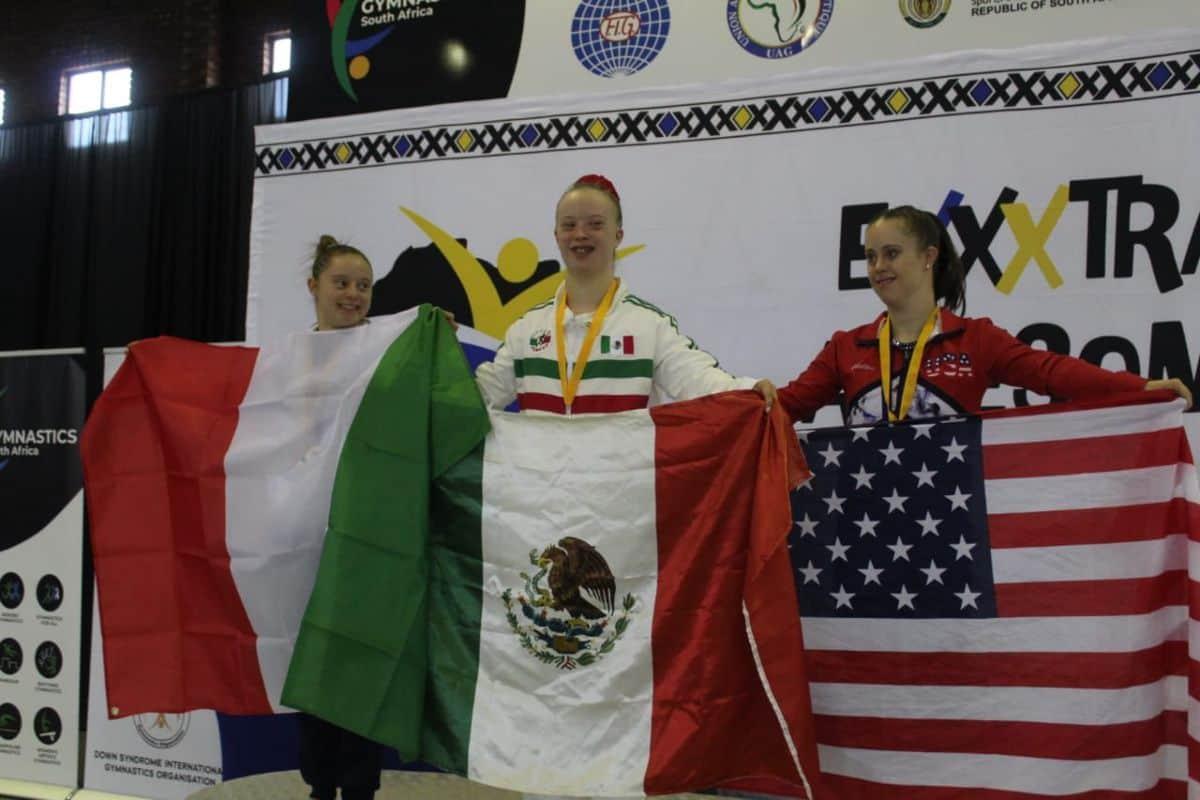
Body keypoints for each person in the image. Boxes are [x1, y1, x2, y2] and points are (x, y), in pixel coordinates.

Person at [775, 205, 1192, 425]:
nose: (878, 266)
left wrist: (1140, 387)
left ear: (928, 257)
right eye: (870, 257)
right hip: (865, 533)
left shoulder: (975, 339)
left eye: (891, 253)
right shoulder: (846, 347)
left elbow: (1051, 373)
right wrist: (729, 397)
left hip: (951, 531)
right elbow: (783, 407)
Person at [475, 174, 775, 413]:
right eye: (569, 225)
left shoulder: (649, 325)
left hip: (619, 490)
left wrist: (748, 391)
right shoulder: (526, 329)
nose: (580, 234)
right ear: (556, 236)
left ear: (618, 235)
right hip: (540, 490)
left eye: (595, 224)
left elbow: (698, 380)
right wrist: (437, 351)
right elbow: (475, 400)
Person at [299, 234, 383, 800]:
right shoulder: (285, 362)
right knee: (315, 662)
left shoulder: (388, 350)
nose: (353, 295)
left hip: (370, 534)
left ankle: (358, 784)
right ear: (314, 288)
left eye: (363, 286)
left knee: (363, 664)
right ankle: (319, 783)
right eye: (342, 283)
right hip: (304, 533)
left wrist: (436, 335)